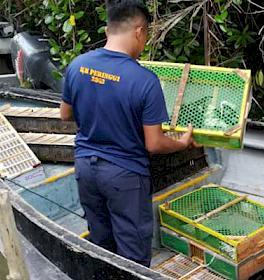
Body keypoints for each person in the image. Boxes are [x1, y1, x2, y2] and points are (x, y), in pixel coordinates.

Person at [59, 0, 198, 267]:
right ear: (139, 31)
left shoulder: (78, 65)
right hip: (124, 176)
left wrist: (98, 113)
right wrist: (182, 143)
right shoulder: (144, 80)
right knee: (132, 255)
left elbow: (65, 115)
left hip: (86, 168)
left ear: (109, 29)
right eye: (146, 36)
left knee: (101, 244)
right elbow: (154, 144)